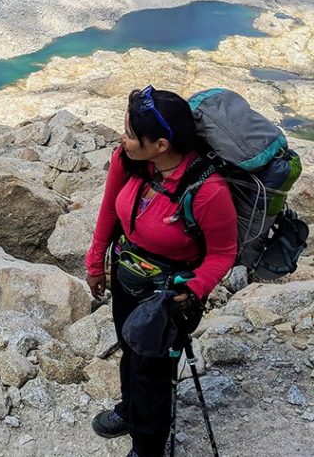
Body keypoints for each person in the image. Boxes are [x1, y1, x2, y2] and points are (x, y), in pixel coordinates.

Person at [84, 86, 237, 457]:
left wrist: (196, 289)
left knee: (151, 371)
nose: (124, 138)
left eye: (133, 135)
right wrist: (96, 261)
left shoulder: (208, 191)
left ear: (162, 145)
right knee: (128, 347)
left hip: (169, 294)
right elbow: (110, 209)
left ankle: (147, 445)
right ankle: (130, 411)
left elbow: (223, 253)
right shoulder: (131, 159)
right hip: (128, 276)